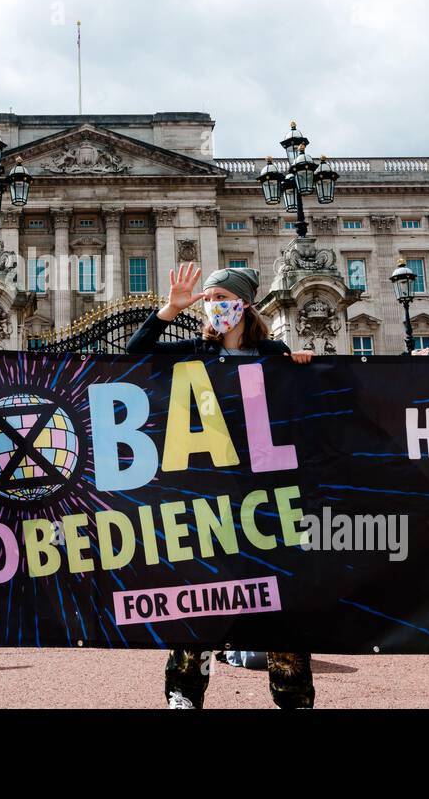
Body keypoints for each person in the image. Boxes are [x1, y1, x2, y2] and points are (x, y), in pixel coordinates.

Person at [126, 262, 316, 709]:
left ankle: (292, 694)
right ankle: (184, 690)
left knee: (279, 595)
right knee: (201, 595)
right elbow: (134, 355)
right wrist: (170, 309)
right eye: (208, 300)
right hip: (209, 495)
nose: (212, 307)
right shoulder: (194, 351)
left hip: (268, 496)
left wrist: (304, 366)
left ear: (243, 304)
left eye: (220, 299)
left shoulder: (274, 355)